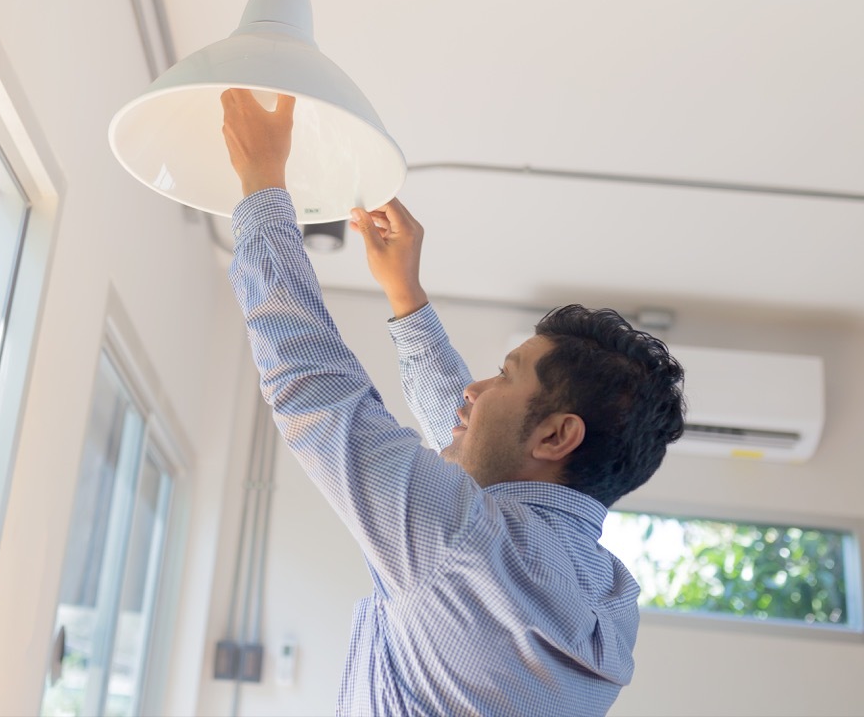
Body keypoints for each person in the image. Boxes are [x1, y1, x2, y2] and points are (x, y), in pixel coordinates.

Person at [220, 88, 686, 716]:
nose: (475, 389)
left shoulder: (467, 544)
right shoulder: (605, 601)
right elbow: (480, 453)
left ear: (556, 436)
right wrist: (406, 298)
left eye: (504, 376)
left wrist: (261, 186)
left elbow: (317, 390)